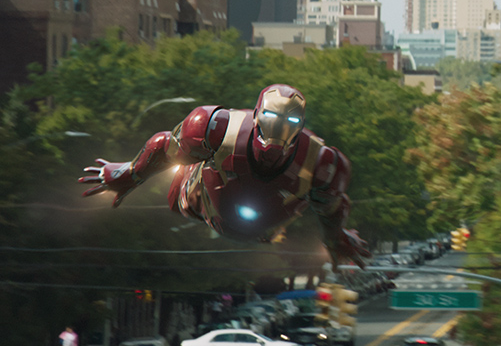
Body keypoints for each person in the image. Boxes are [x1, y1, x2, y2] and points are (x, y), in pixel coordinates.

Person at [79, 84, 369, 269]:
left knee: (317, 190)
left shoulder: (321, 163)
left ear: (300, 125)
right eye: (270, 118)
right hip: (199, 200)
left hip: (263, 226)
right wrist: (131, 172)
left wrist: (336, 239)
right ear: (257, 115)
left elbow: (332, 210)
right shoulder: (215, 128)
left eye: (290, 122)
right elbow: (164, 146)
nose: (278, 129)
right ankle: (192, 183)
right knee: (184, 169)